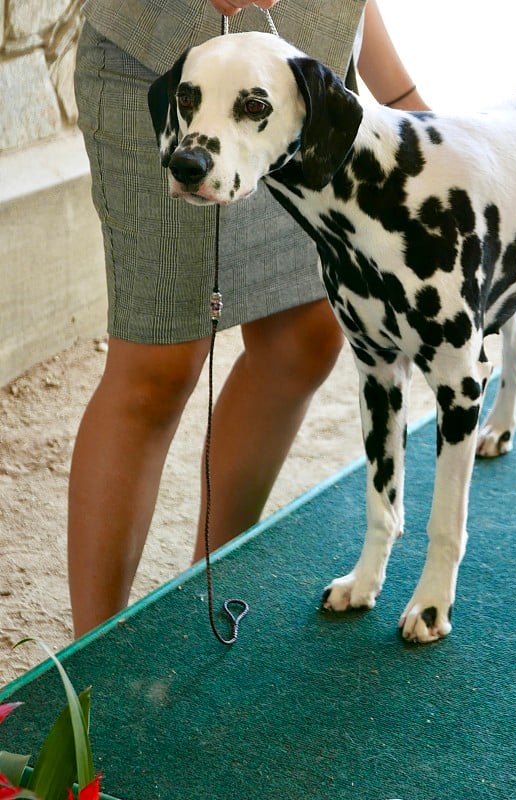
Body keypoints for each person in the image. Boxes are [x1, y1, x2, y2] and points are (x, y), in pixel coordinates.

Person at [69, 0, 429, 638]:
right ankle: (93, 665)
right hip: (154, 62)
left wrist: (400, 93)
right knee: (158, 366)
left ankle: (210, 589)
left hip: (297, 95)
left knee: (304, 334)